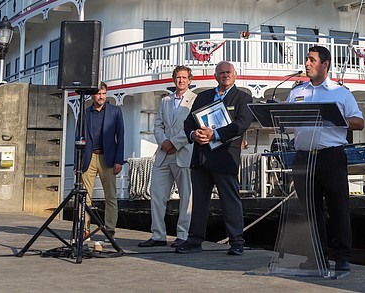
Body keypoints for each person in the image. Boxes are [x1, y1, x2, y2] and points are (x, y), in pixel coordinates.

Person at [286, 46, 364, 272]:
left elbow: (359, 123)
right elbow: (287, 122)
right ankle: (316, 256)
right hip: (303, 157)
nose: (307, 64)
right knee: (310, 210)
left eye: (312, 60)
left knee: (338, 207)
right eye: (306, 59)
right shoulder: (296, 92)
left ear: (325, 64)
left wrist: (336, 118)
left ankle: (342, 257)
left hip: (330, 157)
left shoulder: (341, 93)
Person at [176, 61, 253, 256]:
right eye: (221, 73)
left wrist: (215, 134)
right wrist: (194, 134)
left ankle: (236, 241)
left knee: (230, 201)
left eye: (228, 72)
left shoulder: (243, 97)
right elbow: (188, 123)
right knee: (199, 201)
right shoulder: (203, 97)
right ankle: (194, 240)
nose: (225, 75)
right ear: (215, 76)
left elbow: (242, 123)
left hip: (225, 158)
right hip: (201, 156)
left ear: (234, 75)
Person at [138, 66, 197, 248]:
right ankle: (158, 235)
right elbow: (158, 125)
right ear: (174, 79)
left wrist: (174, 143)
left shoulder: (194, 100)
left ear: (189, 80)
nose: (181, 80)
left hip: (184, 153)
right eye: (178, 77)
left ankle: (183, 234)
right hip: (164, 154)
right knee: (157, 195)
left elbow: (192, 126)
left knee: (186, 198)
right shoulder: (165, 101)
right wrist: (164, 142)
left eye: (184, 77)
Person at [80, 82, 125, 238]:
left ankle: (110, 228)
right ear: (93, 95)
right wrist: (77, 162)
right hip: (89, 158)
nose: (101, 96)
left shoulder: (115, 112)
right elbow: (78, 139)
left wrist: (119, 160)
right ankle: (84, 229)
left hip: (108, 158)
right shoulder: (85, 113)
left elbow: (121, 136)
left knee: (110, 195)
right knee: (85, 196)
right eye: (99, 93)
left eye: (104, 93)